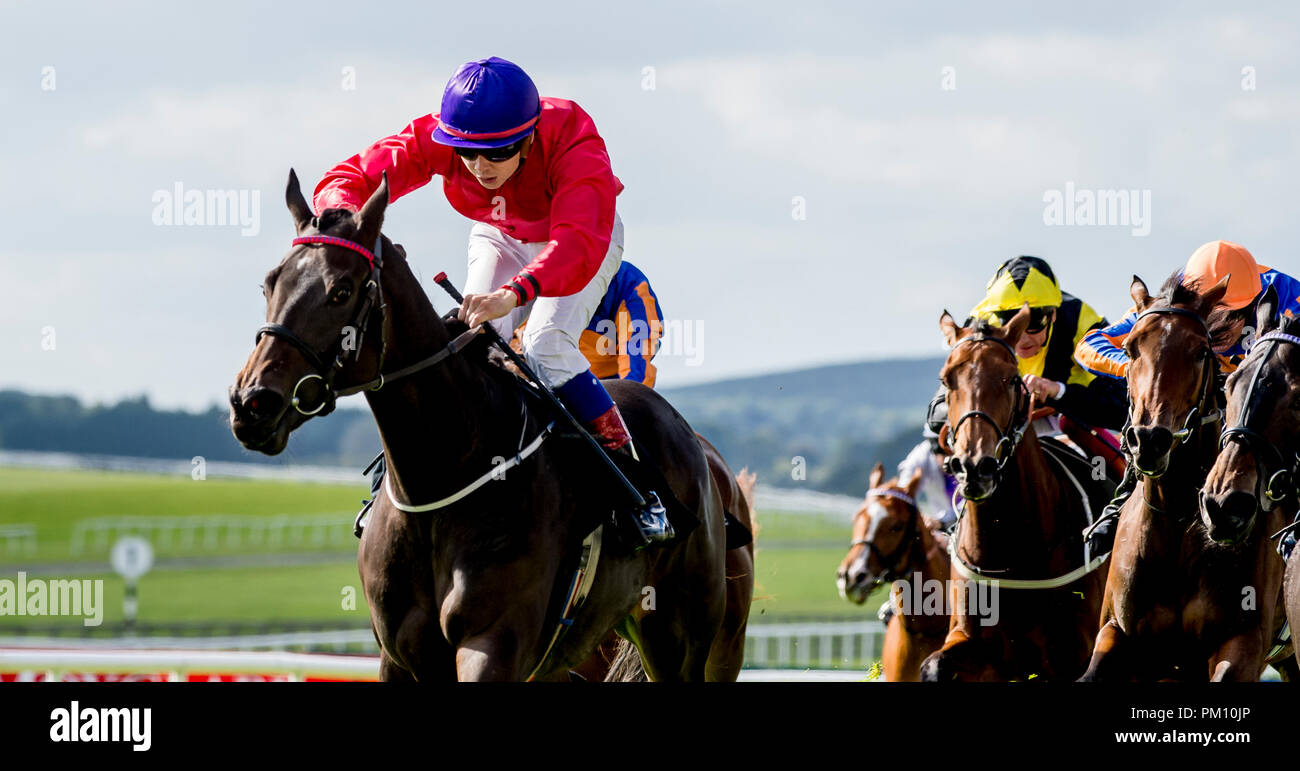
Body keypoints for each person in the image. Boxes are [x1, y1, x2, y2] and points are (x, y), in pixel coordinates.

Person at [318, 57, 671, 545]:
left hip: (581, 238)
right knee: (474, 343)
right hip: (501, 233)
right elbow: (350, 177)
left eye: (496, 153)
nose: (480, 167)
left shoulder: (573, 135)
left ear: (529, 137)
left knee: (545, 344)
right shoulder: (440, 137)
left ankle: (637, 485)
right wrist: (343, 222)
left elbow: (575, 243)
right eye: (466, 154)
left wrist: (514, 294)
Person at [1075, 240, 1300, 554]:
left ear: (1255, 303)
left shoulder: (1290, 297)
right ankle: (1124, 496)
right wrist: (1141, 367)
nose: (1220, 326)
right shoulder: (1174, 303)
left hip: (1257, 394)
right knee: (1156, 394)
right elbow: (1088, 346)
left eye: (1234, 315)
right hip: (1199, 393)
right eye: (1210, 314)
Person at [927, 256, 1128, 438]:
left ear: (1054, 315)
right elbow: (936, 416)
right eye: (1009, 321)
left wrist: (1058, 391)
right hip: (1002, 428)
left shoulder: (1085, 325)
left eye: (1033, 322)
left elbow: (1123, 410)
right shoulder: (980, 326)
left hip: (1070, 420)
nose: (1021, 337)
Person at [513, 260, 664, 386]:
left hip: (609, 384)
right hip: (538, 379)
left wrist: (629, 404)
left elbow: (637, 362)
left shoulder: (628, 282)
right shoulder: (529, 272)